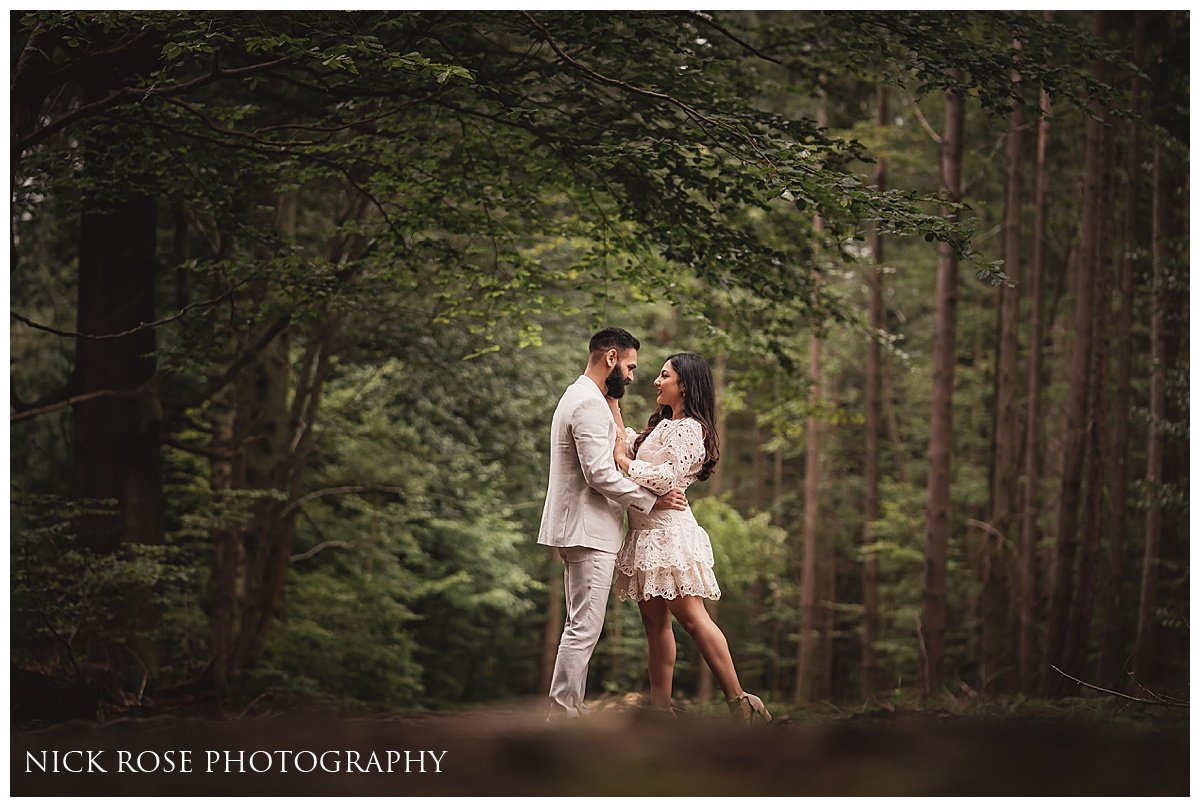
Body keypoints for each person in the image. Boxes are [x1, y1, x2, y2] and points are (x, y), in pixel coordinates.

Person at [608, 352, 773, 723]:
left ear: (684, 384)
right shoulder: (664, 425)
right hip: (644, 534)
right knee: (654, 625)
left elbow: (665, 478)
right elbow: (624, 441)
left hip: (669, 534)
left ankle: (740, 700)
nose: (656, 380)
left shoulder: (691, 429)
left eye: (664, 375)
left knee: (693, 617)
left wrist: (624, 462)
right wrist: (613, 401)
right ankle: (661, 710)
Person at [538, 327, 689, 720]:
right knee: (584, 627)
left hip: (580, 528)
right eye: (631, 366)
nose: (634, 376)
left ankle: (569, 708)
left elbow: (611, 449)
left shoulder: (587, 397)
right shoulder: (587, 403)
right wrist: (652, 502)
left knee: (581, 624)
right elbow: (599, 474)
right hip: (587, 530)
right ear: (610, 359)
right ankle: (564, 713)